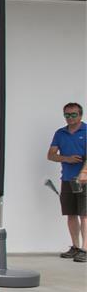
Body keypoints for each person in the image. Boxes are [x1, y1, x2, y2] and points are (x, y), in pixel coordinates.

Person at [48, 101, 87, 262]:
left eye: (73, 115)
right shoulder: (60, 133)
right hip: (67, 179)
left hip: (84, 180)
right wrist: (66, 158)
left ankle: (85, 249)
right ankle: (75, 246)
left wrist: (84, 172)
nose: (70, 118)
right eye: (67, 115)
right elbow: (51, 155)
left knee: (84, 215)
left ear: (80, 115)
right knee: (71, 213)